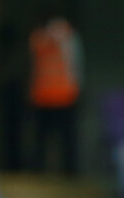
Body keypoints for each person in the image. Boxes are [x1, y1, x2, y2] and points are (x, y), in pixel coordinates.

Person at [29, 7, 82, 174]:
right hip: (44, 97)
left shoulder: (69, 37)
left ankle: (71, 174)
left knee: (68, 139)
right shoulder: (39, 37)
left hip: (65, 96)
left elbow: (76, 64)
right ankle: (39, 173)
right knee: (42, 139)